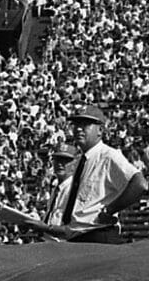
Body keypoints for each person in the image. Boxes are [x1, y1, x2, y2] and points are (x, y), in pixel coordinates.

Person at [52, 104, 148, 244]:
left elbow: (140, 184)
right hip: (78, 236)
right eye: (76, 124)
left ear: (100, 130)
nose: (78, 129)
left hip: (98, 235)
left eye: (85, 125)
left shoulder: (108, 155)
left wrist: (110, 210)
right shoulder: (81, 160)